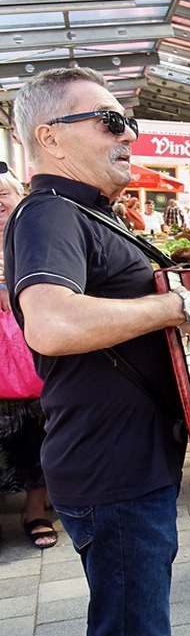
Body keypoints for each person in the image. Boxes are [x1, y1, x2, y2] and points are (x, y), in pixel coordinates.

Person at [5, 67, 190, 636]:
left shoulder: (88, 215)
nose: (129, 131)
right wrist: (175, 306)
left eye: (128, 119)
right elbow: (52, 323)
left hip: (129, 469)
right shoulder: (46, 213)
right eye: (109, 120)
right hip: (112, 474)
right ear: (50, 139)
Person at [0, 167, 56, 550]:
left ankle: (36, 509)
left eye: (2, 194)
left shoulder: (32, 232)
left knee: (40, 431)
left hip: (33, 354)